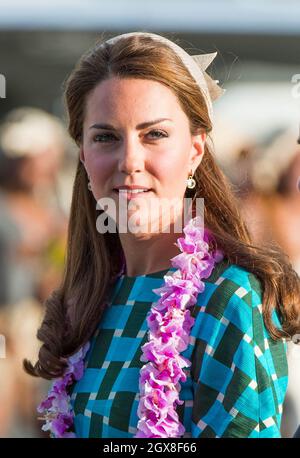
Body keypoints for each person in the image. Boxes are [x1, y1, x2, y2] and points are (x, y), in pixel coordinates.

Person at [24, 31, 300, 438]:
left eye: (154, 134)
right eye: (106, 137)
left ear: (195, 149)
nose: (130, 160)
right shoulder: (92, 294)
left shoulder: (230, 299)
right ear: (83, 153)